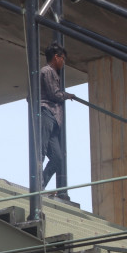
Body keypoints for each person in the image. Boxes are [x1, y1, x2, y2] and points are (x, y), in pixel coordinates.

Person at [40, 42, 76, 199]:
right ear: (56, 57)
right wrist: (67, 95)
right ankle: (37, 188)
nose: (64, 62)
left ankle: (40, 185)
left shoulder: (53, 73)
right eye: (63, 58)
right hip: (46, 113)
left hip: (54, 119)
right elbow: (54, 94)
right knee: (40, 150)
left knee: (58, 158)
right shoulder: (47, 71)